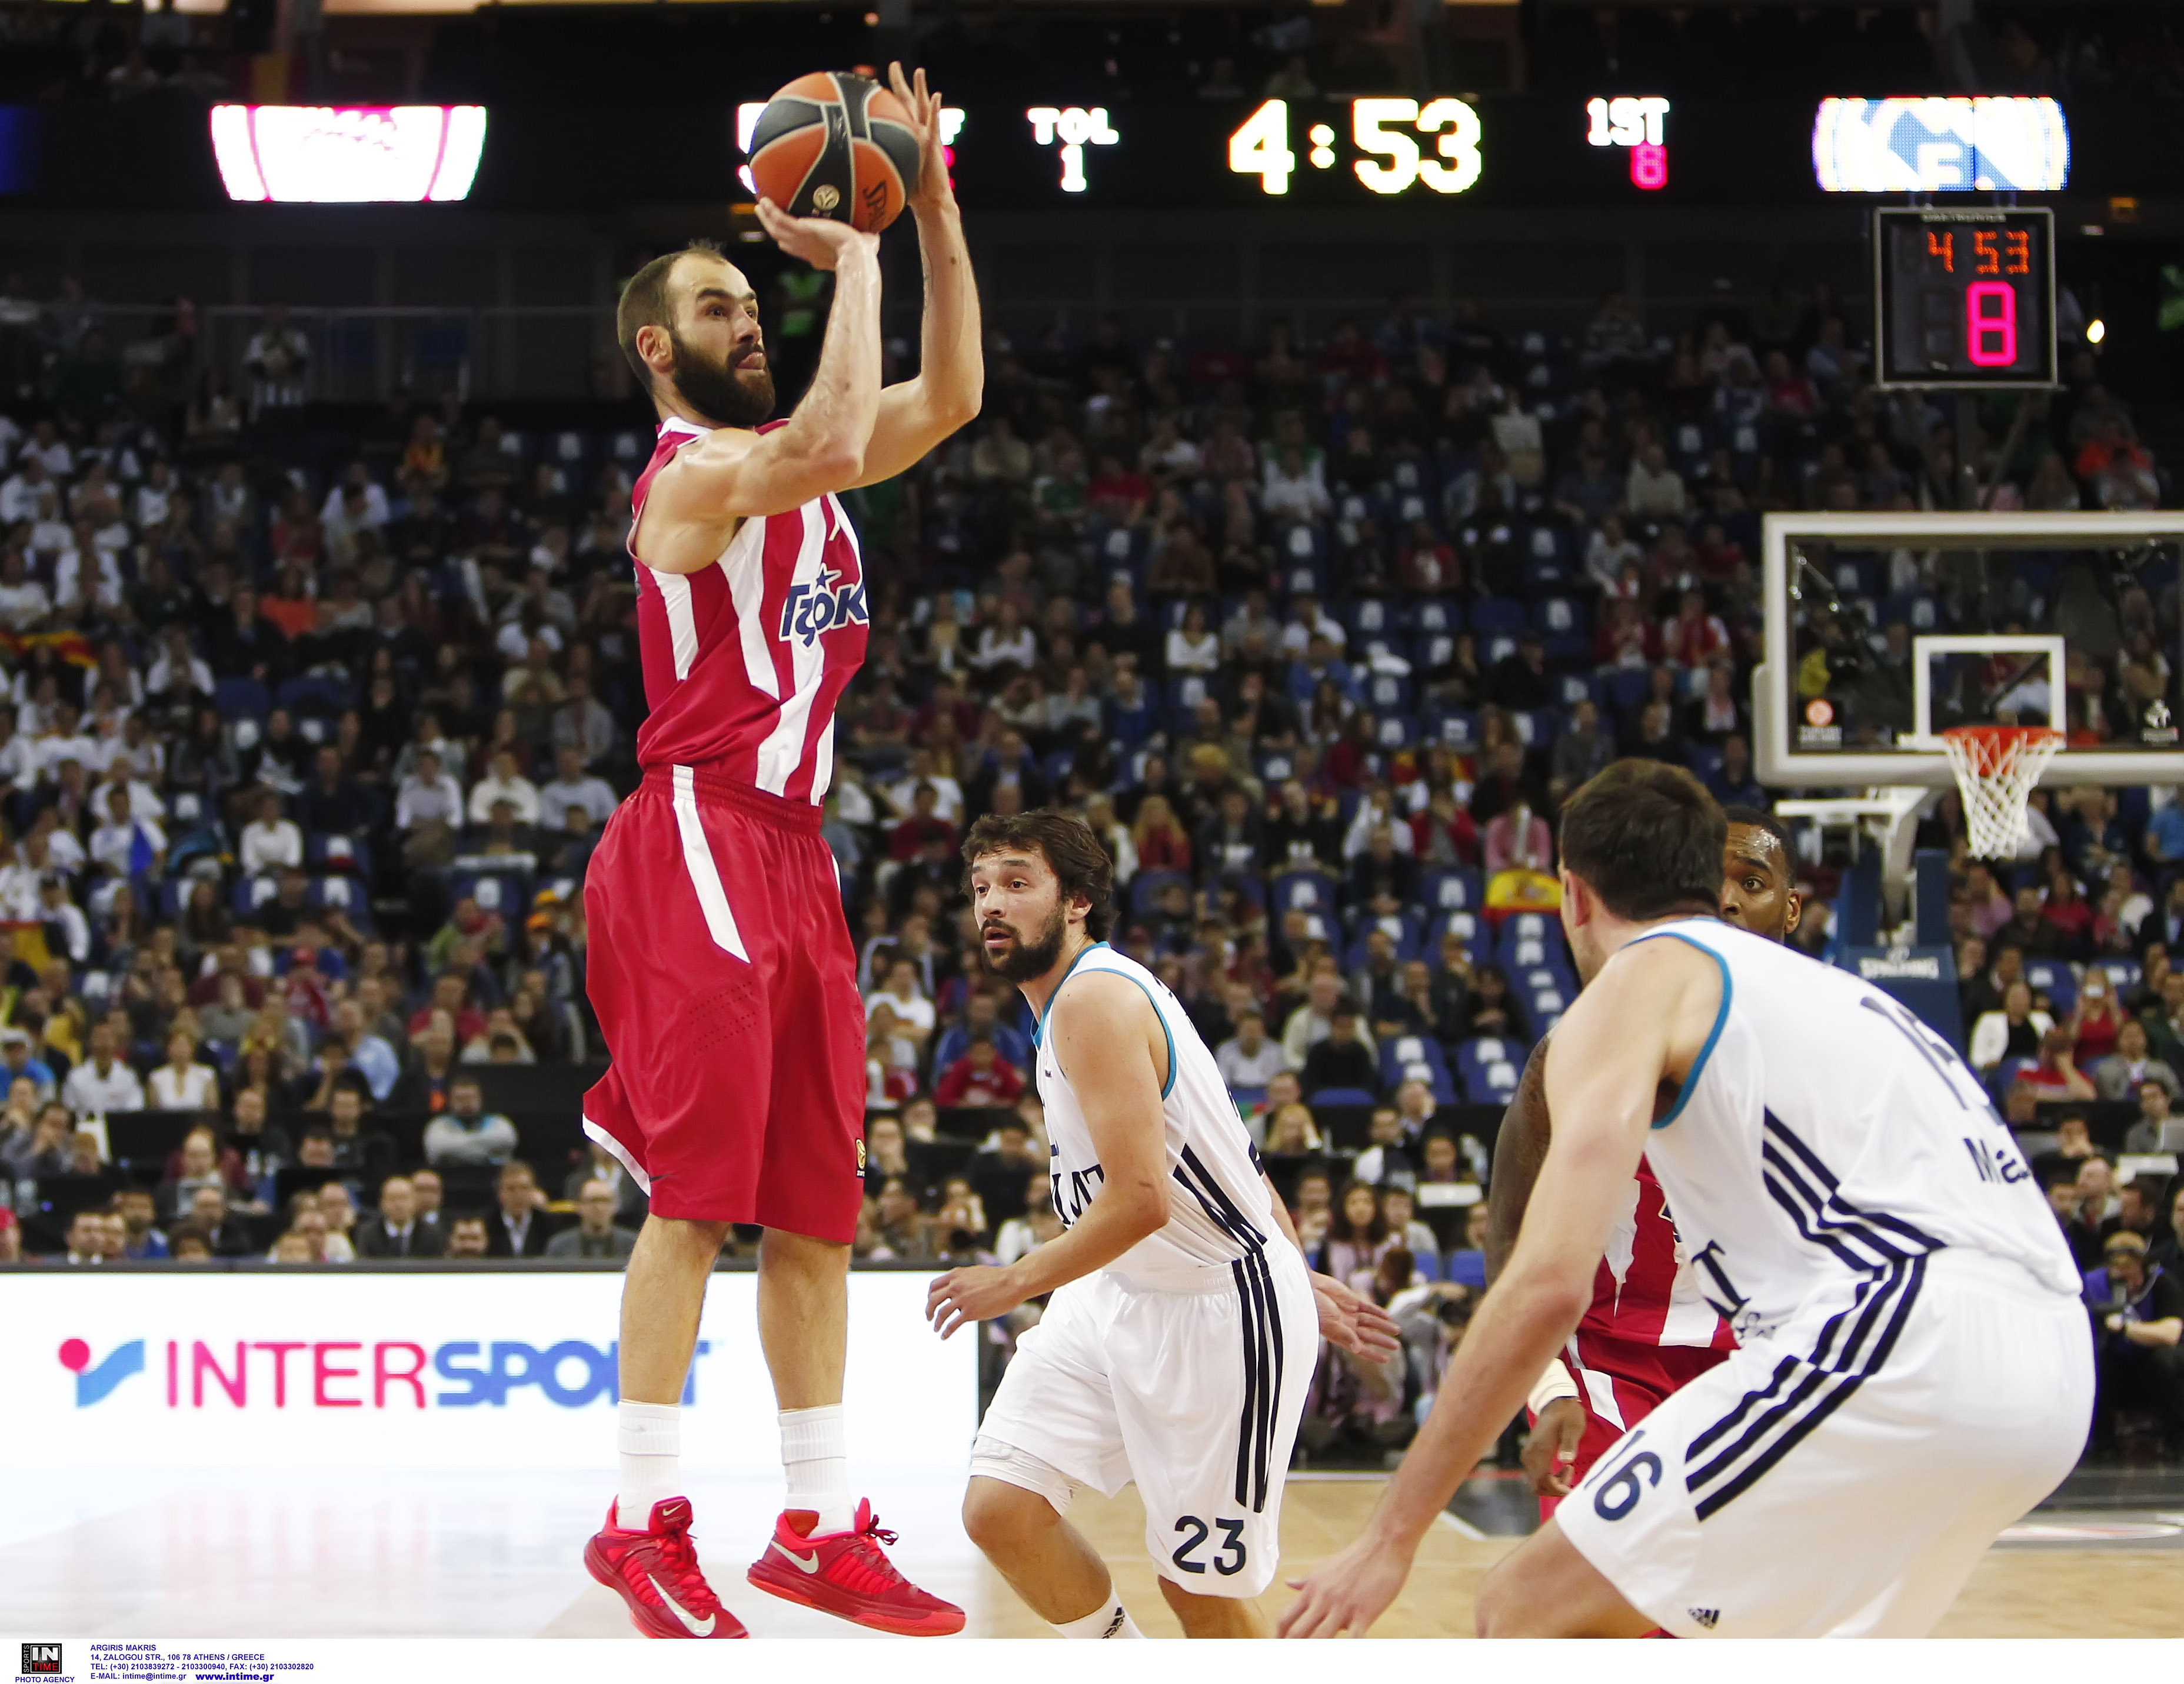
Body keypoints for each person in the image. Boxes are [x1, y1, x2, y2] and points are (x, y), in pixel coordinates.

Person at [1281, 760, 2090, 1639]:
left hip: (1899, 1334)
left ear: (1574, 895)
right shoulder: (1847, 994)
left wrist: (1390, 1536)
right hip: (2053, 1360)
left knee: (1526, 1610)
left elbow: (1549, 1280)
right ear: (1708, 883)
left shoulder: (1635, 982)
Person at [578, 62, 978, 1643]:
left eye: (759, 295)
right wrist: (853, 260)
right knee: (696, 1196)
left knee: (817, 1209)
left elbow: (943, 398)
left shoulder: (808, 463)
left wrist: (927, 203)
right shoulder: (693, 480)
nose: (751, 313)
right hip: (690, 836)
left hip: (799, 853)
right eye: (720, 302)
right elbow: (813, 437)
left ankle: (815, 1521)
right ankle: (639, 1515)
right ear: (656, 346)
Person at [932, 809, 1399, 1639]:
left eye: (1015, 881)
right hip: (1114, 1291)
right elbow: (1239, 1157)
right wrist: (1296, 1264)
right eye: (980, 887)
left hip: (1215, 1312)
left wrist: (1011, 1278)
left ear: (1076, 900)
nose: (991, 905)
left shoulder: (1097, 1000)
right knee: (1001, 1506)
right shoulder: (1070, 1003)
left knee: (1199, 1587)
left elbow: (1141, 1199)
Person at [1484, 806, 1797, 1519]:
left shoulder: (1834, 1060)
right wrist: (1546, 1386)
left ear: (1790, 910)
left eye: (1752, 881)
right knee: (1581, 1612)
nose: (1727, 899)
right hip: (1607, 1366)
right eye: (1710, 882)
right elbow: (1507, 1242)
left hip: (1759, 1365)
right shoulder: (1573, 1056)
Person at [355, 1175, 444, 1259]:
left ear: (415, 1202)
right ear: (382, 1203)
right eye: (392, 1199)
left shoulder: (432, 1234)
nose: (398, 1205)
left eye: (404, 1198)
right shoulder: (367, 1233)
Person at [548, 1179, 641, 1259]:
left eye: (604, 1201)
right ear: (579, 1206)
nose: (599, 1207)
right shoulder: (560, 1247)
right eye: (593, 1201)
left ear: (615, 1206)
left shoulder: (632, 1245)